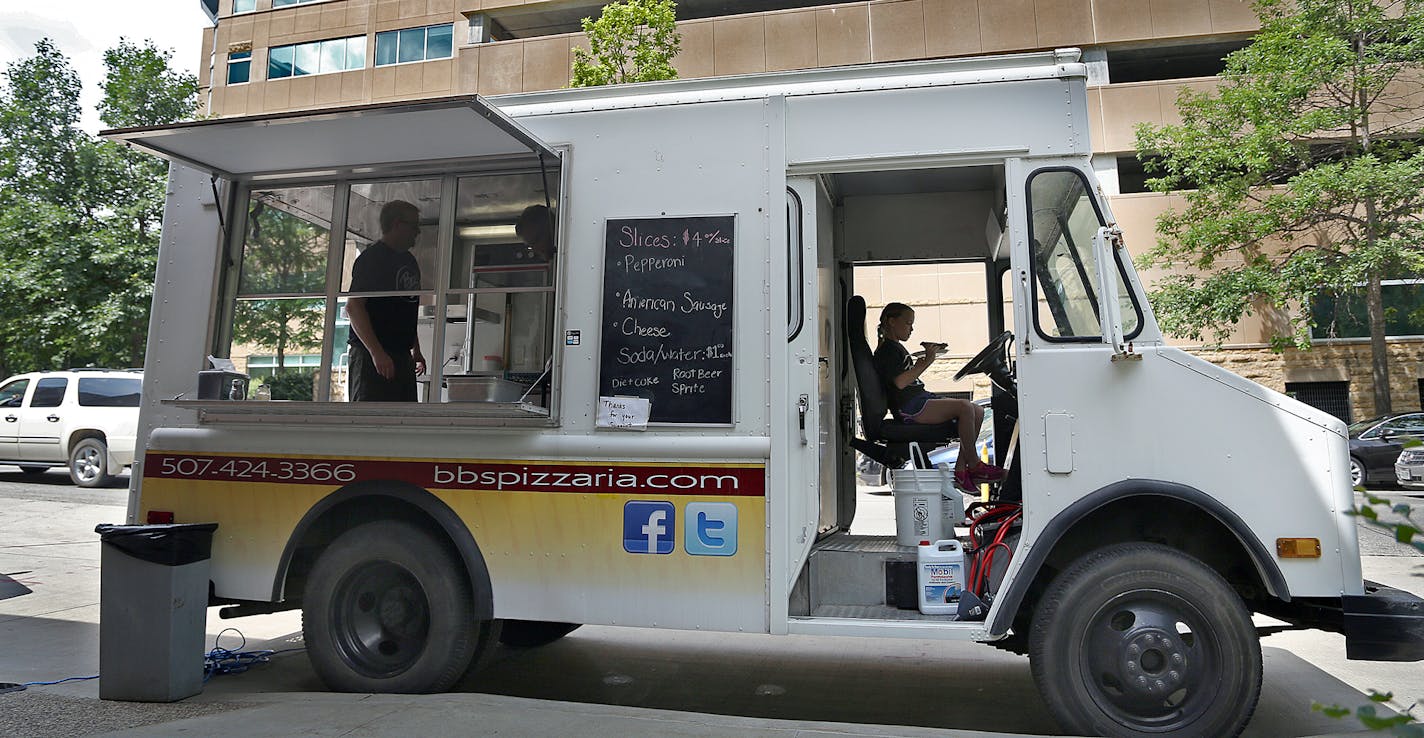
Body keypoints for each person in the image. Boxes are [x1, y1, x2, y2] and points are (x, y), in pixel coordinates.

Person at [873, 302, 1005, 490]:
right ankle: (974, 465)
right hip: (911, 407)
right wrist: (927, 361)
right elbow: (900, 383)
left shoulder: (896, 348)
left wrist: (925, 359)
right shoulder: (887, 350)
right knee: (965, 407)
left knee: (977, 410)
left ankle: (961, 470)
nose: (912, 329)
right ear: (892, 322)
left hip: (920, 399)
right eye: (908, 323)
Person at [346, 200, 427, 402]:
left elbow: (406, 308)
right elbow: (354, 307)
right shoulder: (372, 259)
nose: (417, 232)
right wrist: (377, 353)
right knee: (371, 420)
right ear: (398, 224)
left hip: (401, 355)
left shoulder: (409, 261)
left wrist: (415, 349)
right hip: (371, 356)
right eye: (414, 226)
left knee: (405, 422)